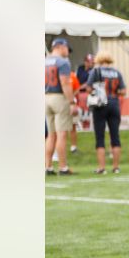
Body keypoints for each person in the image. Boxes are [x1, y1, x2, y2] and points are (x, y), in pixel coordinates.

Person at [84, 52, 128, 173]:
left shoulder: (96, 71)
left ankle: (102, 168)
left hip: (100, 105)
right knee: (115, 136)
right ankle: (116, 167)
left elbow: (88, 88)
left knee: (100, 137)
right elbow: (123, 91)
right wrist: (115, 93)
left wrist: (97, 90)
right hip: (114, 104)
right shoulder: (117, 72)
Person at [45, 37, 76, 175]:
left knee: (51, 135)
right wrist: (71, 102)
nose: (67, 50)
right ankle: (63, 167)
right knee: (61, 134)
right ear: (59, 47)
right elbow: (65, 82)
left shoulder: (44, 61)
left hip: (45, 98)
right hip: (58, 97)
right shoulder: (62, 62)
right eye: (66, 47)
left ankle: (48, 166)